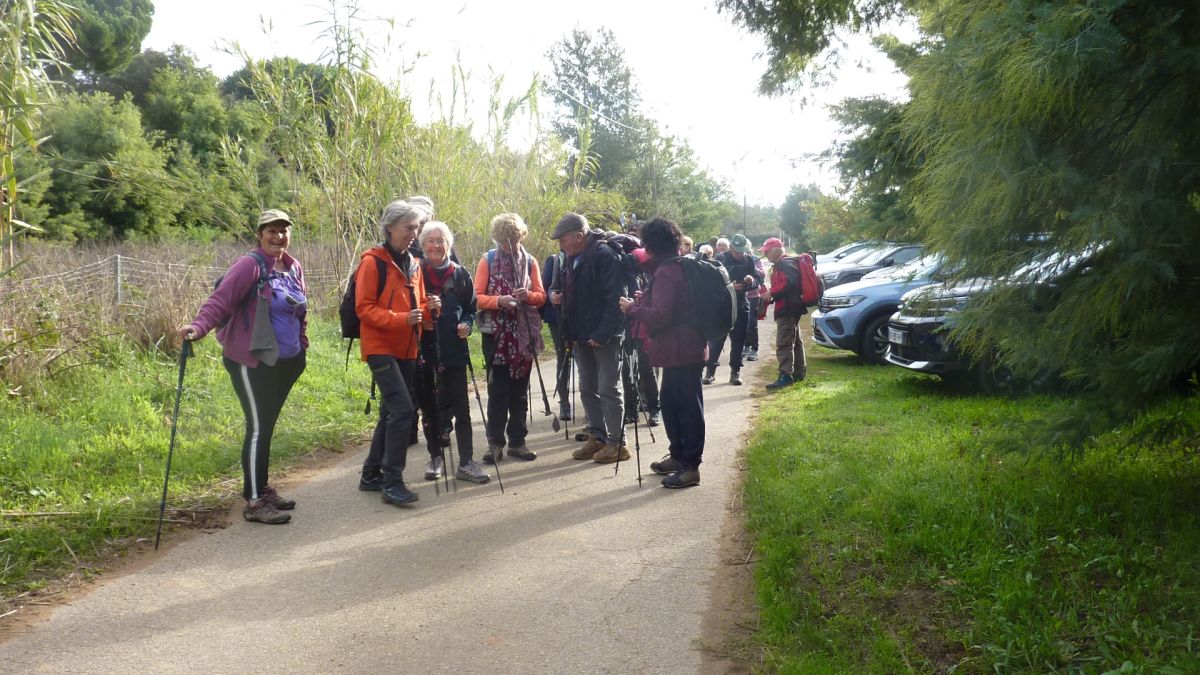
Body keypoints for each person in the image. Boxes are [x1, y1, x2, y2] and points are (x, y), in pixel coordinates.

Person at [180, 209, 308, 525]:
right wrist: (198, 328)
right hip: (252, 362)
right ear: (259, 233)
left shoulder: (292, 267)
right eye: (272, 231)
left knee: (265, 427)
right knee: (258, 428)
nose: (279, 236)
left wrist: (302, 343)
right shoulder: (249, 265)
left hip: (287, 362)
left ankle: (261, 487)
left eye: (283, 231)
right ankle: (253, 502)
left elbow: (300, 312)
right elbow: (219, 301)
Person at [619, 217, 706, 488]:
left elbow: (659, 316)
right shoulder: (678, 265)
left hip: (681, 349)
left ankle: (691, 466)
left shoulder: (668, 271)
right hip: (682, 348)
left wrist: (631, 309)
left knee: (687, 408)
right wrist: (643, 301)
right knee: (671, 403)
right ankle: (679, 456)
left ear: (651, 244)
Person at [356, 200, 432, 506]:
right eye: (408, 227)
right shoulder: (372, 262)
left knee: (391, 411)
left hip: (407, 348)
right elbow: (364, 308)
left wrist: (431, 309)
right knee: (402, 409)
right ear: (390, 228)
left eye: (417, 227)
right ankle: (392, 481)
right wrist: (401, 319)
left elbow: (421, 304)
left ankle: (370, 474)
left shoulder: (413, 262)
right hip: (380, 347)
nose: (414, 233)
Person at [415, 221, 490, 484]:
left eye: (441, 240)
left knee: (462, 408)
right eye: (431, 241)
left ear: (449, 244)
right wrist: (425, 304)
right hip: (424, 350)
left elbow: (471, 308)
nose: (436, 245)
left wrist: (467, 326)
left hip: (455, 350)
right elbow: (406, 307)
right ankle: (435, 458)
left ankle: (467, 462)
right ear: (423, 245)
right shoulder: (415, 273)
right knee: (431, 409)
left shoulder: (460, 274)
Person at [551, 212, 629, 464]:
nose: (560, 245)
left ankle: (618, 444)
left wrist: (602, 334)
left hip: (604, 336)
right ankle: (598, 437)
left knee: (608, 388)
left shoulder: (605, 255)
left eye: (563, 240)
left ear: (579, 236)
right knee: (587, 388)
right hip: (581, 334)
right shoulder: (571, 258)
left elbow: (615, 298)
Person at [475, 212, 546, 463]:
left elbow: (541, 295)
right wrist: (499, 301)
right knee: (498, 391)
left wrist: (527, 296)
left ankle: (518, 442)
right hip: (495, 334)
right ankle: (495, 443)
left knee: (520, 391)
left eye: (514, 238)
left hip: (524, 335)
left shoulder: (530, 261)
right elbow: (477, 297)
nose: (510, 244)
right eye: (505, 239)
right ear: (497, 238)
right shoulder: (488, 260)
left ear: (521, 236)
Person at [703, 233, 762, 386]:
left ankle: (735, 371)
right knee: (717, 339)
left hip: (742, 303)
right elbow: (711, 284)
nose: (740, 254)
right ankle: (710, 371)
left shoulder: (749, 259)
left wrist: (751, 280)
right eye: (737, 251)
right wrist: (730, 287)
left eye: (742, 251)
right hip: (722, 305)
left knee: (739, 339)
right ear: (731, 248)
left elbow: (757, 280)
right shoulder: (720, 259)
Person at [759, 237, 807, 390]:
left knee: (784, 342)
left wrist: (771, 292)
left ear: (776, 250)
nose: (766, 255)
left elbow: (790, 283)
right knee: (795, 340)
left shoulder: (785, 263)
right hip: (792, 307)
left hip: (788, 309)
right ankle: (799, 373)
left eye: (767, 252)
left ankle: (785, 376)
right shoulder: (785, 263)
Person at [541, 248, 572, 421]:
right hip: (558, 317)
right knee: (563, 357)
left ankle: (591, 404)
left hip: (579, 316)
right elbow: (544, 288)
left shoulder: (587, 258)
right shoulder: (553, 260)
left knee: (585, 359)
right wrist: (552, 295)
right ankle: (564, 403)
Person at [743, 245, 767, 362]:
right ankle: (746, 346)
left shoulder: (755, 259)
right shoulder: (736, 259)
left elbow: (762, 274)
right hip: (741, 295)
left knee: (752, 323)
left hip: (753, 296)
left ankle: (754, 348)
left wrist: (752, 265)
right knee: (743, 323)